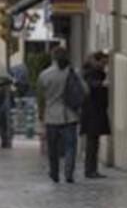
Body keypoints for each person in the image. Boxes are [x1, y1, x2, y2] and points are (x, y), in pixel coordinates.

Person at [37, 46, 86, 183]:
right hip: (69, 116)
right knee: (70, 147)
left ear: (52, 57)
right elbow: (84, 90)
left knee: (53, 149)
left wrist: (41, 115)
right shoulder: (72, 73)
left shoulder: (44, 75)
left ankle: (54, 172)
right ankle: (68, 173)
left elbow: (40, 98)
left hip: (51, 116)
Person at [81, 51, 111, 178]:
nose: (105, 65)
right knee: (92, 143)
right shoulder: (91, 73)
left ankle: (92, 169)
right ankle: (90, 170)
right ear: (97, 61)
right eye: (103, 63)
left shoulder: (95, 73)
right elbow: (91, 86)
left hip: (95, 112)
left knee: (94, 142)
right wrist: (101, 85)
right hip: (93, 113)